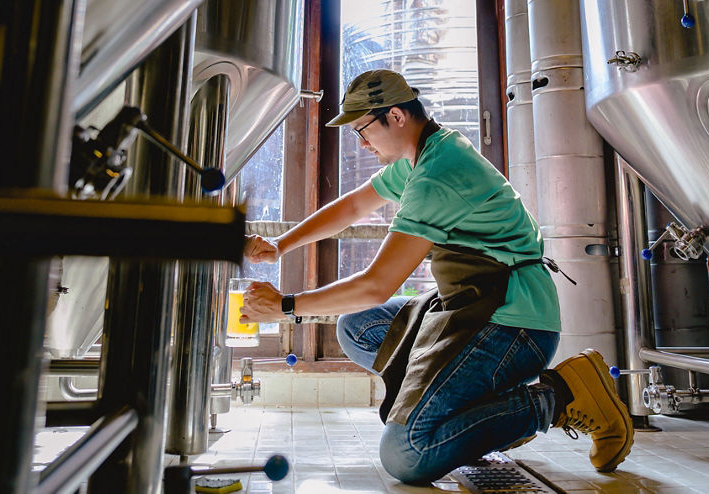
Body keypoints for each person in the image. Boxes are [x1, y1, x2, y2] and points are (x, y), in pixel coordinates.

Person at [240, 69, 634, 483]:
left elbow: (377, 284)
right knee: (358, 329)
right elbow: (354, 206)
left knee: (408, 455)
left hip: (513, 324)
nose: (362, 143)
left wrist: (287, 307)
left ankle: (559, 397)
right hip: (472, 305)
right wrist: (280, 244)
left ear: (395, 116)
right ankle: (475, 409)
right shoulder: (423, 156)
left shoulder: (437, 174)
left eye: (363, 130)